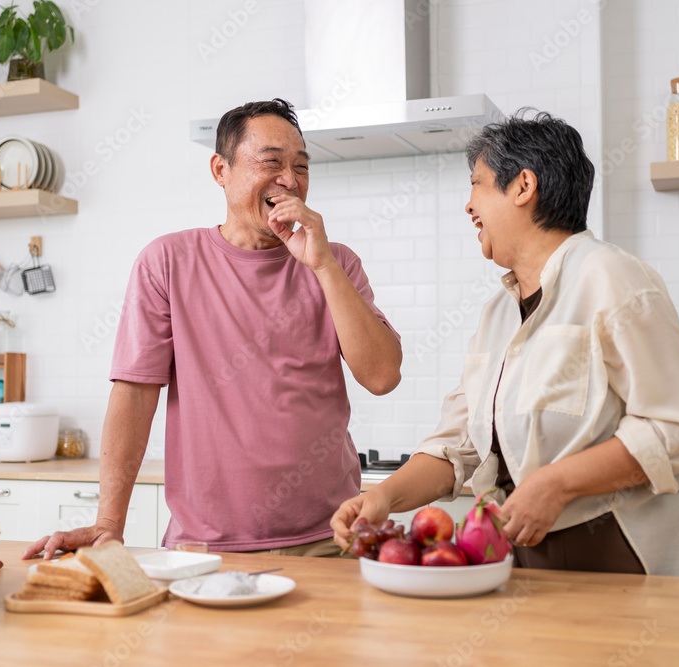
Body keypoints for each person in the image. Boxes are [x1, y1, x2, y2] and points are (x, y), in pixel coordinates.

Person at [331, 110, 679, 576]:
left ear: (522, 187)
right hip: (518, 558)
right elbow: (457, 446)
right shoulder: (498, 314)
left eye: (477, 183)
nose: (468, 206)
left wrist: (556, 484)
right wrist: (382, 497)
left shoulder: (611, 277)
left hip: (612, 554)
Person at [23, 98, 402, 559]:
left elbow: (382, 376)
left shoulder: (336, 262)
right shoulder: (167, 262)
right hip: (205, 550)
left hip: (330, 539)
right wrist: (109, 523)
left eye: (301, 166)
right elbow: (135, 394)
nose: (290, 179)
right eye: (271, 162)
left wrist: (322, 265)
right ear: (220, 170)